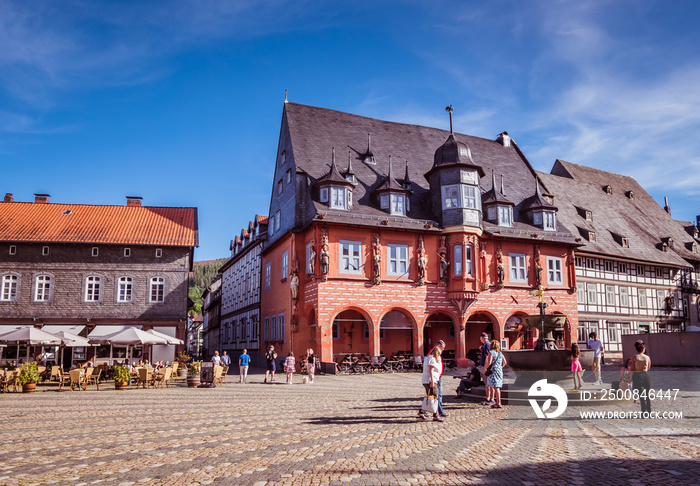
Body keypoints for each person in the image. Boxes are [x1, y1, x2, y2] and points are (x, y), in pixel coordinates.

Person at [418, 345, 444, 422]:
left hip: (428, 380)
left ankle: (421, 412)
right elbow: (431, 371)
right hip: (430, 380)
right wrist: (432, 382)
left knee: (431, 397)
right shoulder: (431, 359)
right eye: (439, 354)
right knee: (435, 396)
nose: (439, 355)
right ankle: (436, 416)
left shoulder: (428, 358)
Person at [484, 340, 507, 409]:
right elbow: (505, 362)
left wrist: (487, 367)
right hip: (499, 371)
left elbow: (489, 362)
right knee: (497, 387)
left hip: (493, 371)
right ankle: (498, 402)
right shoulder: (500, 353)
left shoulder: (491, 352)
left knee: (495, 387)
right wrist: (500, 367)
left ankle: (498, 403)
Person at [632, 340, 652, 415]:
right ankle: (649, 410)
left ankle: (643, 411)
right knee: (647, 394)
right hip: (646, 375)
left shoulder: (634, 357)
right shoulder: (647, 357)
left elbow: (633, 368)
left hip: (638, 376)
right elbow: (649, 367)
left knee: (641, 395)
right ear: (643, 349)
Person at [478, 333, 493, 405]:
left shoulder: (486, 344)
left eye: (480, 338)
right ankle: (489, 398)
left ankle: (489, 398)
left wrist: (485, 367)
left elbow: (487, 356)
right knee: (488, 383)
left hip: (486, 367)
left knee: (487, 383)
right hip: (486, 366)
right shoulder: (487, 344)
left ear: (482, 338)